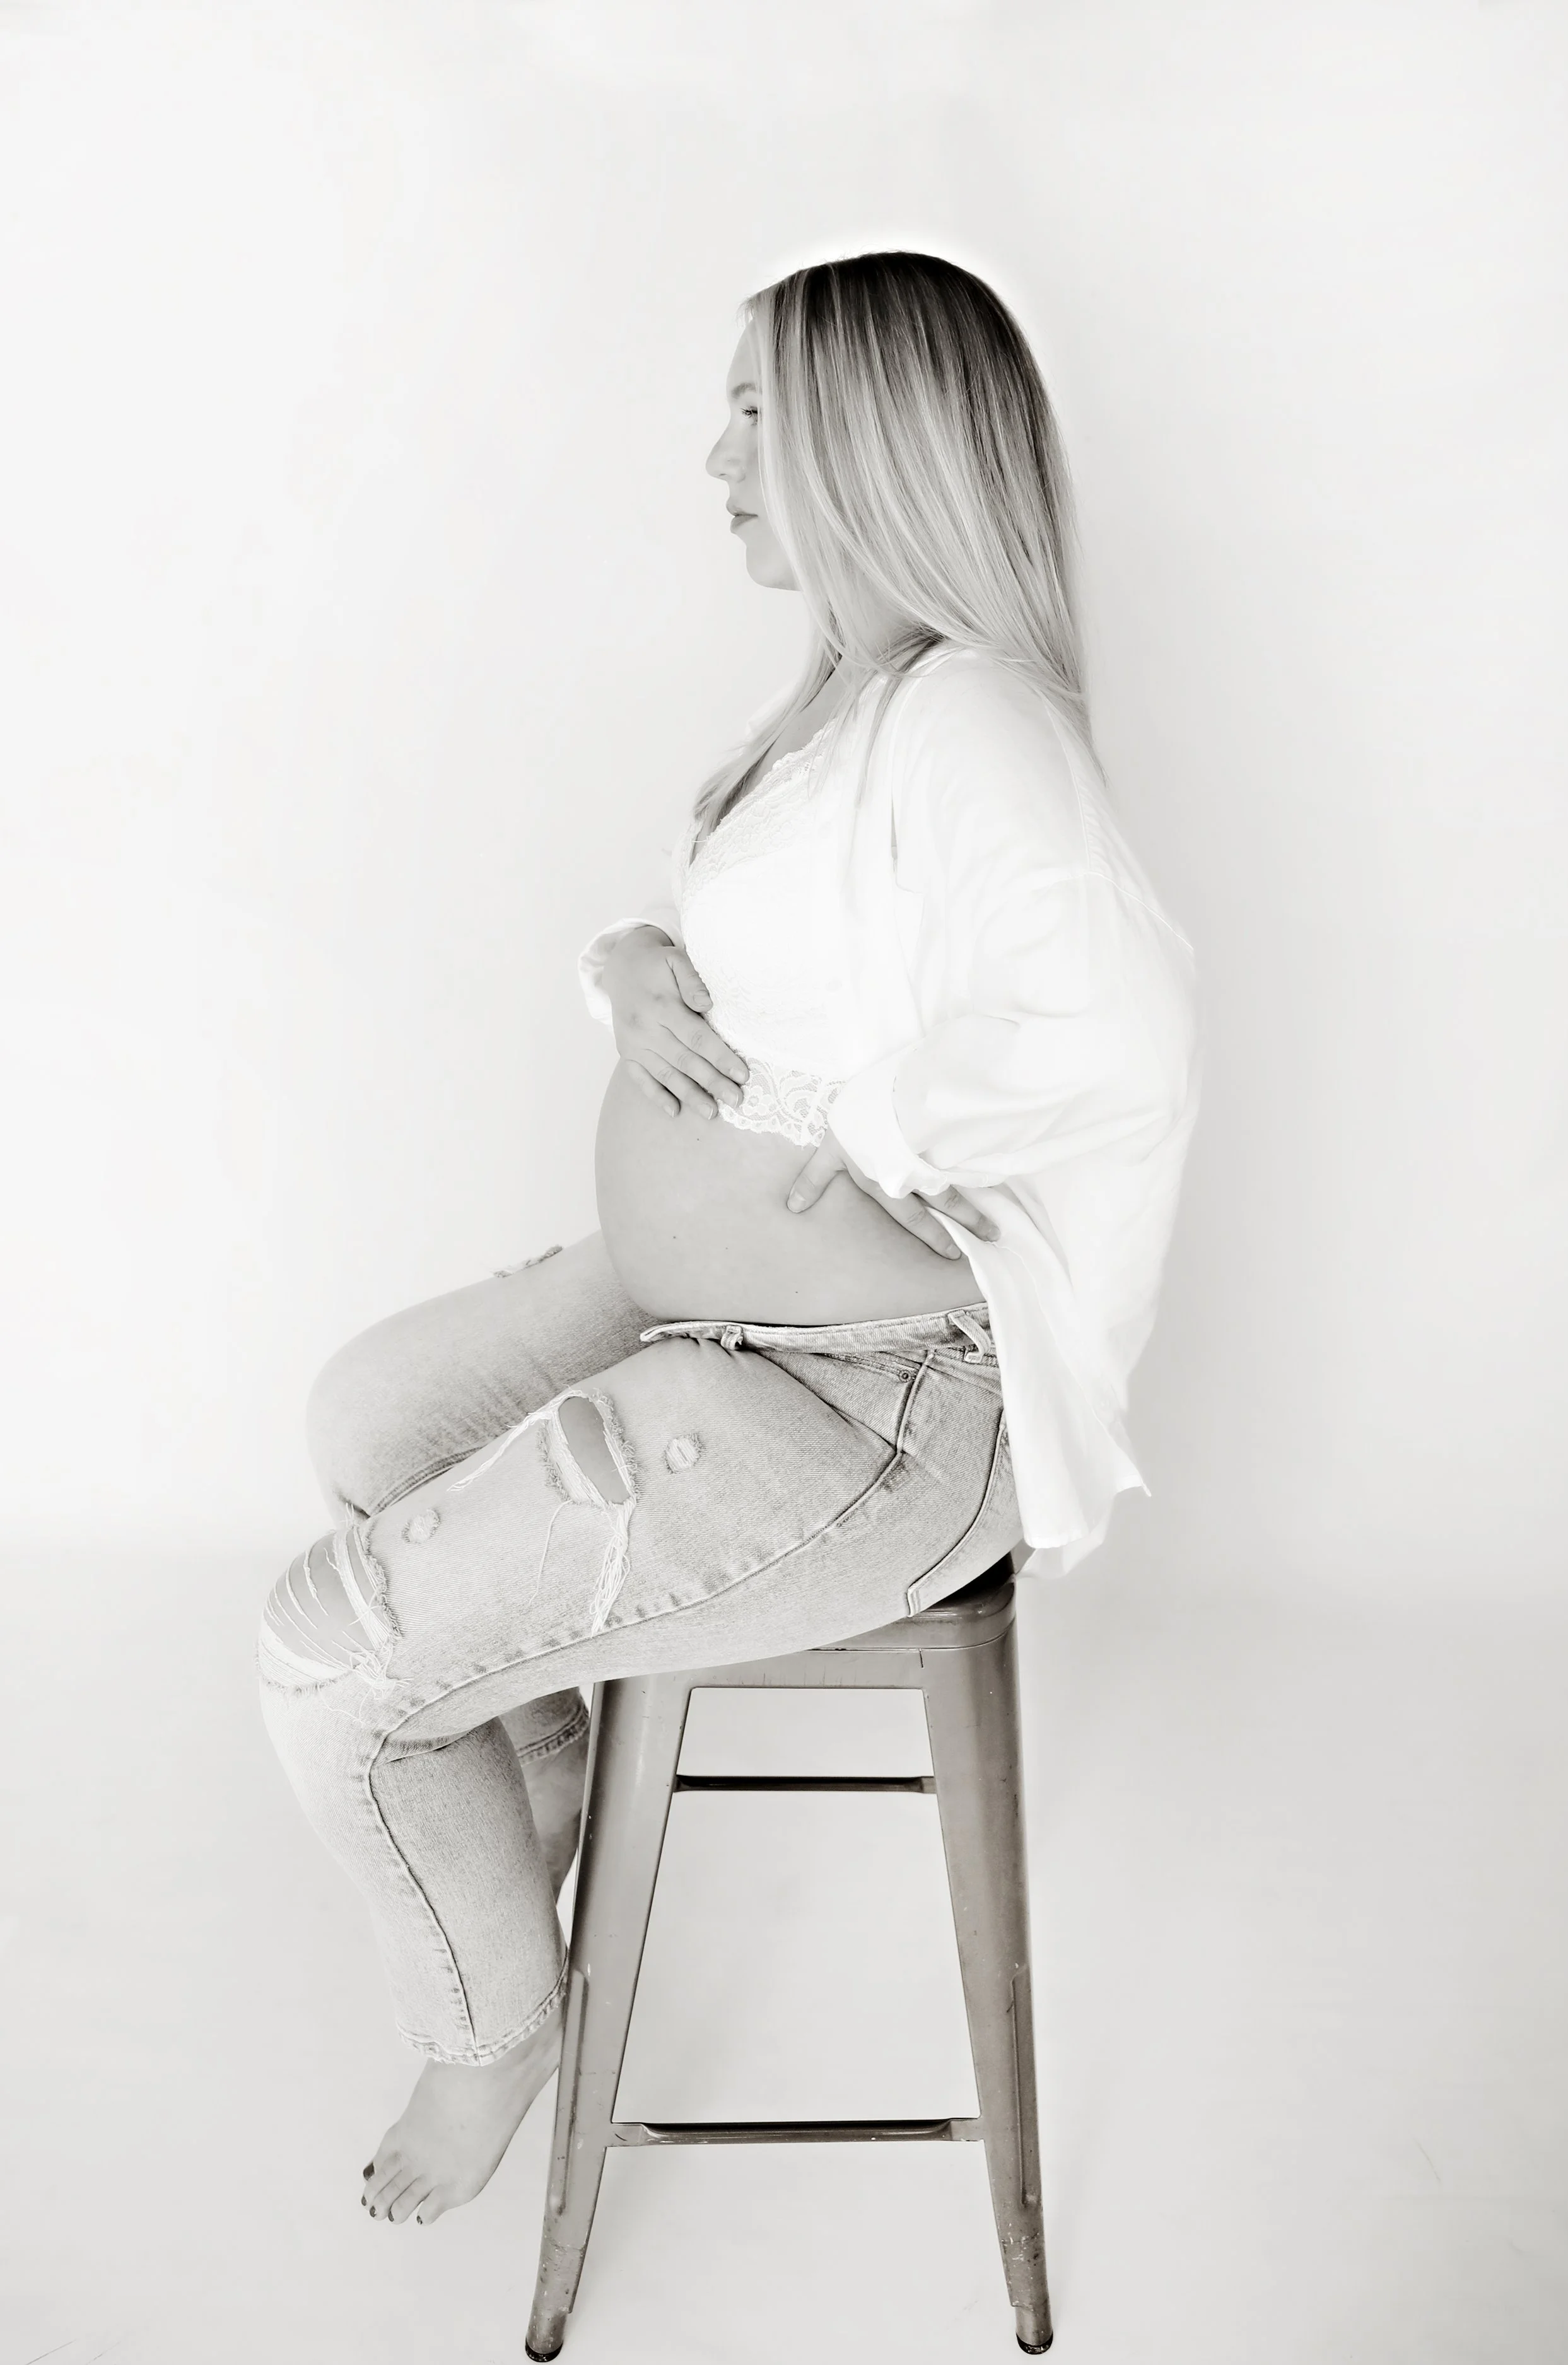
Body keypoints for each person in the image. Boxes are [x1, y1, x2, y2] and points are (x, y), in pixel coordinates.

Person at [257, 251, 1202, 2232]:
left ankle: (487, 2015)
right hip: (728, 1312)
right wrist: (629, 969)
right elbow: (795, 981)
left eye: (755, 412)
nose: (719, 457)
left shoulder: (971, 718)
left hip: (870, 1399)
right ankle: (525, 1783)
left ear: (865, 437)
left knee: (324, 1664)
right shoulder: (852, 711)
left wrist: (856, 1142)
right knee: (368, 1419)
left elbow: (1118, 1027)